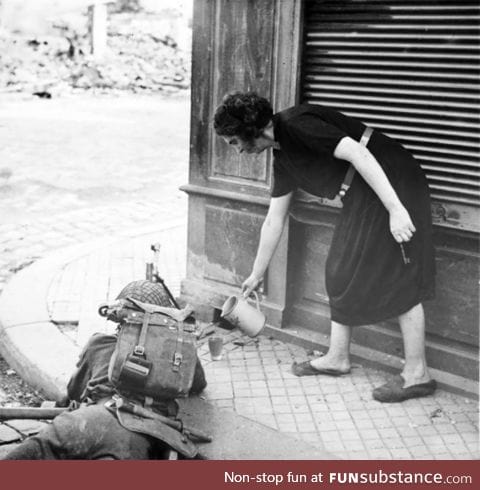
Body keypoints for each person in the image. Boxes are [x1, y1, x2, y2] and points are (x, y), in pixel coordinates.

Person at [213, 92, 437, 403]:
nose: (237, 151)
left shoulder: (296, 125)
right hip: (362, 192)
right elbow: (274, 220)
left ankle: (418, 374)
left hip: (391, 179)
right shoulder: (283, 157)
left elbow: (360, 154)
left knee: (395, 274)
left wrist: (396, 209)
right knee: (338, 268)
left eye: (234, 142)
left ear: (251, 131)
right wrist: (256, 273)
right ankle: (337, 357)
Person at [4, 280, 207, 460]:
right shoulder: (173, 358)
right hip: (143, 435)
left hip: (88, 421)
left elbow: (74, 392)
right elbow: (198, 383)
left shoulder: (99, 343)